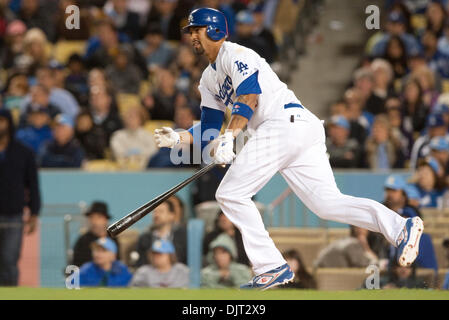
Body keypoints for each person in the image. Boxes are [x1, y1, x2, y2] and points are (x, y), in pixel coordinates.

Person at [153, 7, 424, 290]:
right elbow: (209, 128)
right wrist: (179, 138)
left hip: (283, 124)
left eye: (195, 30)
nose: (191, 36)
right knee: (326, 203)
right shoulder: (208, 79)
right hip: (296, 130)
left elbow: (249, 95)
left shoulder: (236, 55)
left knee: (231, 193)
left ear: (213, 30)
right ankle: (399, 227)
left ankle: (270, 266)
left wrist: (230, 136)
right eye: (190, 31)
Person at [0, 109, 40, 286]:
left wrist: (34, 212)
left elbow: (33, 185)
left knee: (9, 259)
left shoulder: (23, 152)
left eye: (2, 121)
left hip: (13, 215)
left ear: (9, 123)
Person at [134, 200, 187, 266]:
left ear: (171, 215)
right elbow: (140, 264)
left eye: (161, 211)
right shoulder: (144, 238)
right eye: (155, 212)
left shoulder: (183, 236)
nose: (156, 215)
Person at [72, 201, 120, 267]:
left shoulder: (113, 239)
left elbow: (118, 261)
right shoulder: (83, 241)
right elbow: (75, 265)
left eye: (98, 217)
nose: (94, 221)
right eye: (91, 217)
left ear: (105, 220)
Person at [111, 106, 157, 170]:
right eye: (129, 117)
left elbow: (153, 152)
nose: (131, 120)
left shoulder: (148, 135)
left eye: (135, 117)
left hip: (145, 168)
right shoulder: (117, 135)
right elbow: (118, 152)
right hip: (123, 168)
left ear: (141, 119)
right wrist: (130, 154)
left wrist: (138, 153)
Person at [314, 226, 378, 269]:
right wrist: (366, 248)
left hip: (323, 272)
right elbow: (366, 265)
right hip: (336, 277)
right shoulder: (353, 244)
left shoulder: (346, 240)